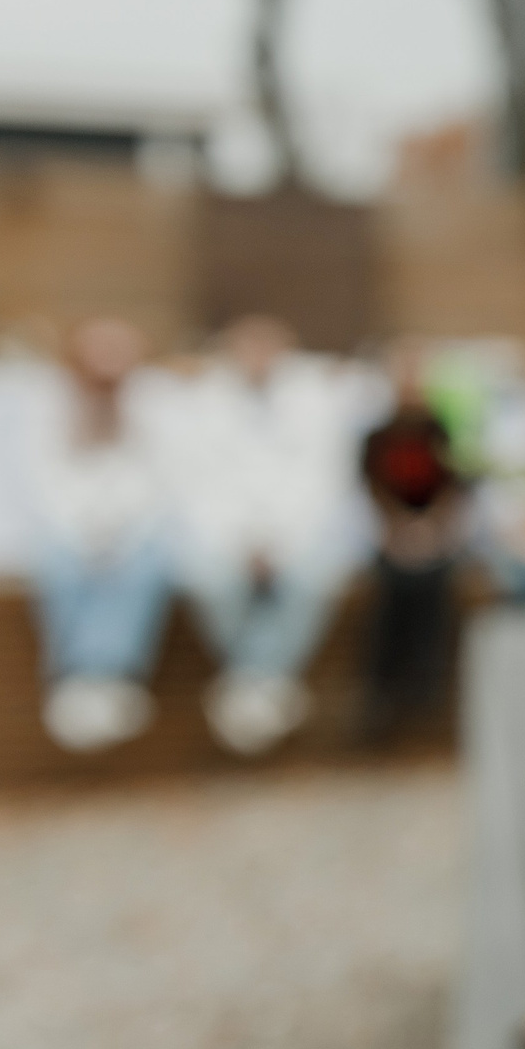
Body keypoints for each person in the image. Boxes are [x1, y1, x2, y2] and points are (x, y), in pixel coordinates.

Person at [160, 316, 378, 756]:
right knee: (212, 582)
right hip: (227, 536)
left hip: (298, 534)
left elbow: (323, 480)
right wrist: (243, 540)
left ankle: (249, 683)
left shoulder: (316, 399)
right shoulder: (201, 401)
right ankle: (268, 682)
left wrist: (279, 541)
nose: (258, 358)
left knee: (309, 581)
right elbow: (194, 484)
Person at [19, 319, 173, 752]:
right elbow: (41, 477)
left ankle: (109, 675)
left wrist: (119, 528)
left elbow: (158, 478)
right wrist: (83, 528)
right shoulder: (48, 402)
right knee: (62, 572)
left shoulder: (152, 401)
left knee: (142, 571)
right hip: (67, 525)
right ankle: (76, 675)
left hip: (133, 525)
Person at [358, 340, 465, 742]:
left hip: (434, 537)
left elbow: (455, 488)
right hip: (393, 537)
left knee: (435, 588)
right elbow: (371, 489)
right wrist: (399, 528)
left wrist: (431, 528)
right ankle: (382, 689)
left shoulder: (441, 430)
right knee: (390, 591)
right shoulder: (376, 435)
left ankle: (427, 686)